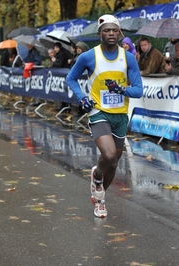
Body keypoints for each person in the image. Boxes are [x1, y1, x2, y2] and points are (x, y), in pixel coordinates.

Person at [66, 14, 143, 218]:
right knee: (108, 155)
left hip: (120, 115)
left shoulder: (128, 58)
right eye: (106, 30)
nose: (110, 33)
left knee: (114, 162)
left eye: (114, 30)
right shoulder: (88, 56)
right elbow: (71, 78)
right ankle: (98, 179)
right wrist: (82, 98)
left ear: (119, 33)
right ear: (99, 33)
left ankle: (100, 197)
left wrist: (121, 89)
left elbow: (138, 90)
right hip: (98, 112)